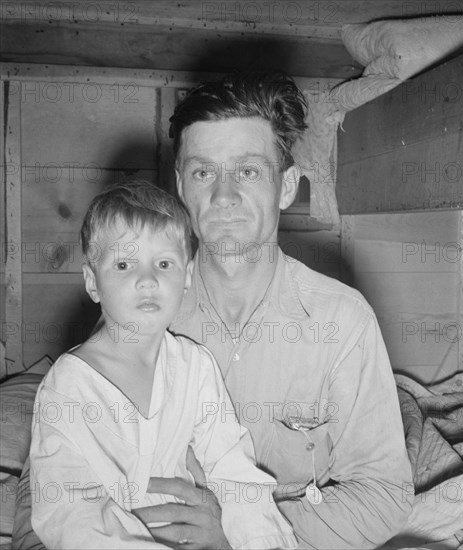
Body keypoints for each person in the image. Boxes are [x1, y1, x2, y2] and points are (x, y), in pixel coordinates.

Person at [14, 72, 413, 549]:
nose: (223, 196)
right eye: (203, 172)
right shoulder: (141, 308)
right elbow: (57, 467)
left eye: (247, 171)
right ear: (181, 185)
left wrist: (237, 533)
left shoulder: (343, 322)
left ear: (286, 187)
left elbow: (385, 495)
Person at [27, 181, 297, 550]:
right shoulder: (69, 386)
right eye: (123, 264)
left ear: (185, 277)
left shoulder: (195, 366)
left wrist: (263, 543)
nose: (148, 280)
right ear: (93, 282)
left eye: (164, 264)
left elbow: (233, 472)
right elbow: (71, 516)